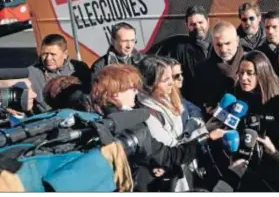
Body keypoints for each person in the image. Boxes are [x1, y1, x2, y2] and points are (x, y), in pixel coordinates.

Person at [89, 64, 227, 191]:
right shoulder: (132, 124)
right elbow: (169, 156)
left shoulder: (93, 121)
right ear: (115, 94)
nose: (136, 92)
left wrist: (157, 166)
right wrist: (205, 138)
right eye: (131, 88)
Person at [233, 50, 279, 192]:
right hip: (242, 168)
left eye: (249, 73)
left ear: (261, 73)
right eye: (240, 72)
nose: (243, 78)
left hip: (274, 172)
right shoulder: (236, 96)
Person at [137, 56, 206, 192]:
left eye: (171, 78)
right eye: (165, 80)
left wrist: (190, 129)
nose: (171, 83)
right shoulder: (146, 114)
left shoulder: (168, 94)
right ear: (150, 84)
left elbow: (194, 110)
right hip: (175, 178)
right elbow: (172, 148)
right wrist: (204, 132)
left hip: (188, 165)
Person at [153, 6, 213, 104]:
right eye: (193, 24)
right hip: (192, 103)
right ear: (187, 25)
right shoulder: (179, 48)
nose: (197, 27)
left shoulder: (218, 43)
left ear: (208, 21)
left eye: (200, 22)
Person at [22, 34, 90, 114]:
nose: (48, 58)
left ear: (65, 54)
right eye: (44, 54)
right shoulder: (31, 73)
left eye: (53, 54)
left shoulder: (79, 68)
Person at [191, 21, 245, 110]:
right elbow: (198, 100)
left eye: (227, 43)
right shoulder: (202, 70)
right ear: (213, 43)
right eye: (219, 45)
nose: (223, 49)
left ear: (237, 40)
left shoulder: (252, 63)